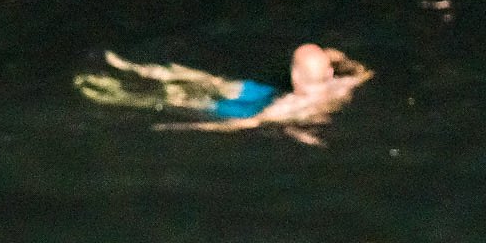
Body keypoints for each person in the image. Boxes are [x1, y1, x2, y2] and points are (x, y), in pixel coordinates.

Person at [76, 44, 371, 144]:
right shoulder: (340, 86)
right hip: (272, 100)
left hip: (263, 101)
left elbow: (246, 123)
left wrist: (185, 126)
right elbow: (363, 72)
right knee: (179, 98)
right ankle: (106, 89)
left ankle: (129, 72)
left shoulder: (291, 105)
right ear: (328, 73)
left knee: (204, 84)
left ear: (295, 76)